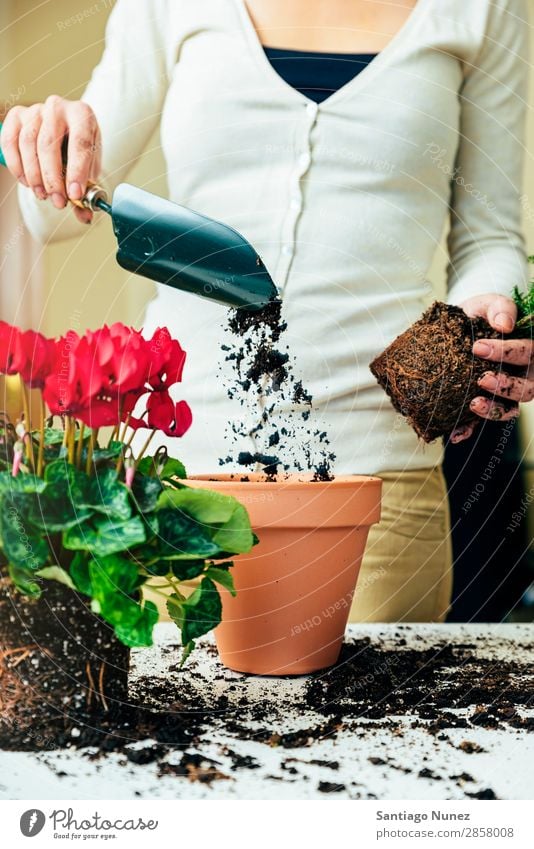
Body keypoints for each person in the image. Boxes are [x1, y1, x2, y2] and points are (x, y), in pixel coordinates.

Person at [2, 0, 533, 623]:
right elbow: (54, 212)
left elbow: (489, 236)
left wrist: (485, 308)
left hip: (376, 490)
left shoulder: (481, 11)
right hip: (177, 484)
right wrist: (47, 137)